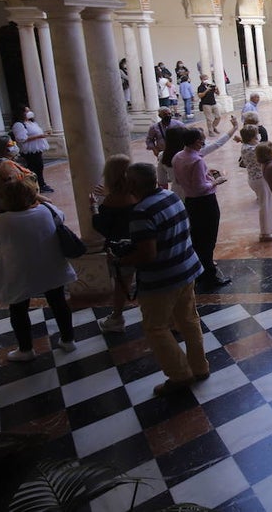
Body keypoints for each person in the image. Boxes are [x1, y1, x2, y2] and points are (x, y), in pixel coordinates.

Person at [119, 162, 209, 397]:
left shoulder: (141, 212)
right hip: (186, 268)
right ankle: (200, 367)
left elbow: (147, 254)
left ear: (134, 184)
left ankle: (180, 375)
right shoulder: (170, 196)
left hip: (162, 280)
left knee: (156, 327)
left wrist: (122, 260)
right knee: (188, 319)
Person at [0, 177, 77, 360]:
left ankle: (26, 349)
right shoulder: (46, 210)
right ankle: (68, 340)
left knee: (19, 309)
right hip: (51, 267)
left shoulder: (1, 221)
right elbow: (61, 217)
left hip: (19, 272)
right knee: (59, 303)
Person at [173, 117, 239, 288]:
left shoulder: (178, 157)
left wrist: (205, 174)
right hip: (205, 202)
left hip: (190, 202)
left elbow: (180, 181)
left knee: (197, 237)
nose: (203, 144)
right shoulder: (197, 160)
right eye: (202, 142)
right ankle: (210, 276)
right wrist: (217, 180)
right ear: (196, 143)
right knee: (208, 239)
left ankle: (198, 271)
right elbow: (202, 187)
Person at [92, 154, 138, 333]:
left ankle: (117, 317)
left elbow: (102, 227)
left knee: (121, 284)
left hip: (120, 249)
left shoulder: (110, 202)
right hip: (141, 244)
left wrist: (93, 208)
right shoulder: (137, 194)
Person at [240, 125, 272, 242]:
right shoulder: (254, 149)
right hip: (260, 179)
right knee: (265, 205)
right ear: (253, 136)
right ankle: (265, 233)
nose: (258, 135)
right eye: (256, 133)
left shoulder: (246, 146)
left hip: (256, 179)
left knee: (268, 203)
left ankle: (270, 226)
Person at [0, 135, 35, 212]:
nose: (15, 146)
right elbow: (18, 187)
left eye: (14, 143)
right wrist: (38, 198)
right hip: (17, 205)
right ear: (2, 149)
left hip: (5, 203)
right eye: (11, 144)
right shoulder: (5, 165)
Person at [10, 105, 53, 192]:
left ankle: (41, 184)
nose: (29, 113)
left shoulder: (31, 123)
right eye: (26, 111)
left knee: (39, 166)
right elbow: (21, 138)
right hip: (29, 150)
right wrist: (38, 136)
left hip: (36, 149)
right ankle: (36, 185)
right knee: (34, 167)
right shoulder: (19, 125)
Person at [146, 107, 186, 188]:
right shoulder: (154, 127)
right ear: (160, 115)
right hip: (163, 152)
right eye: (165, 114)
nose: (168, 116)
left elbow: (186, 136)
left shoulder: (179, 124)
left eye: (169, 114)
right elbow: (149, 140)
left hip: (177, 151)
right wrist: (154, 149)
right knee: (163, 170)